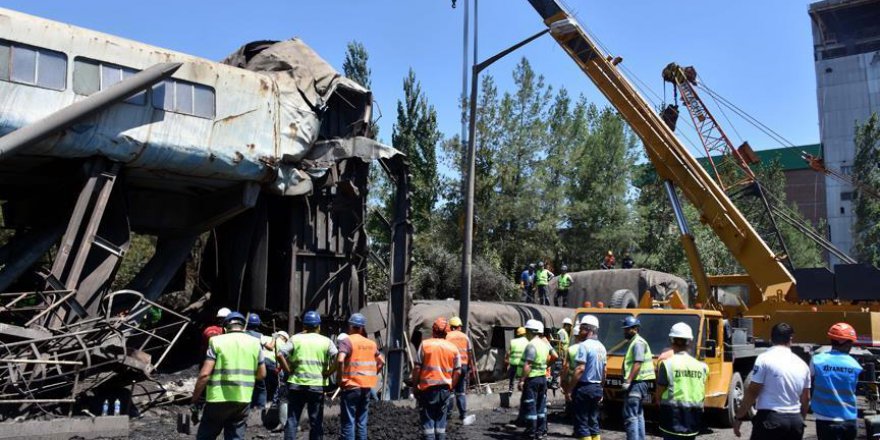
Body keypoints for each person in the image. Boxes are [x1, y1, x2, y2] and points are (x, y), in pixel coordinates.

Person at [191, 312, 266, 440]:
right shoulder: (255, 343)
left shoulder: (216, 341)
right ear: (243, 326)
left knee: (206, 436)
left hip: (217, 399)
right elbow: (262, 374)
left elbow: (204, 374)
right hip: (242, 399)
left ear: (225, 327)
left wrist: (195, 399)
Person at [733, 323, 811, 440]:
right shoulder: (802, 364)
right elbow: (806, 398)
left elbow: (753, 391)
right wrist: (801, 419)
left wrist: (739, 416)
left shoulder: (764, 359)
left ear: (771, 338)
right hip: (795, 421)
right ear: (791, 339)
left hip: (770, 419)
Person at [278, 310, 337, 440]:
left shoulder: (295, 339)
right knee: (316, 422)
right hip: (316, 386)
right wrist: (330, 372)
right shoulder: (326, 341)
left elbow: (279, 354)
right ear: (319, 326)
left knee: (292, 420)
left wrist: (287, 370)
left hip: (296, 385)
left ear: (304, 326)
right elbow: (338, 358)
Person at [412, 317, 462, 440]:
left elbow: (417, 368)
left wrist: (415, 386)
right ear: (447, 333)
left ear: (433, 330)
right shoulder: (453, 348)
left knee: (428, 424)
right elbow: (458, 371)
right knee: (441, 425)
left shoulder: (425, 345)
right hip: (444, 390)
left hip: (427, 390)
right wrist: (451, 386)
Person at [337, 313, 384, 440]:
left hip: (351, 386)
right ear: (362, 328)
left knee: (349, 421)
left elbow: (340, 360)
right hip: (366, 387)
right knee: (362, 422)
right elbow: (381, 362)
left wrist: (340, 379)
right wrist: (373, 375)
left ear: (350, 326)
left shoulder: (347, 341)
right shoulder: (371, 344)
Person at [810, 323, 861, 440]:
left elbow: (809, 385)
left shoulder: (817, 360)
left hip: (824, 419)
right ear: (846, 343)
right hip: (848, 419)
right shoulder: (855, 365)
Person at [656, 322, 707, 440]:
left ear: (671, 340)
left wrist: (659, 401)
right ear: (690, 342)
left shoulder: (667, 364)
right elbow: (702, 390)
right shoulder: (702, 366)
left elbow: (659, 392)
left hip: (672, 418)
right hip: (693, 418)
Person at [519, 319, 558, 440]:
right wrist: (546, 366)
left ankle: (531, 433)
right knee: (541, 406)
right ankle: (540, 432)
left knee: (531, 406)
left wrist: (521, 380)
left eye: (527, 331)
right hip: (543, 378)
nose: (526, 333)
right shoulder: (545, 344)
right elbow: (555, 356)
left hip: (532, 380)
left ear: (531, 331)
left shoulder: (531, 345)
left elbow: (528, 364)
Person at [570, 315, 606, 440]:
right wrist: (601, 388)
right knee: (593, 421)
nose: (579, 332)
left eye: (582, 329)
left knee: (582, 423)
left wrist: (570, 389)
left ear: (589, 330)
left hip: (584, 388)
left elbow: (580, 369)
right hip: (596, 387)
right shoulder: (602, 347)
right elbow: (604, 371)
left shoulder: (583, 346)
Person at [621, 316, 655, 440]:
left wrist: (628, 380)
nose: (624, 331)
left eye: (627, 329)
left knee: (631, 415)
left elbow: (638, 363)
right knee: (638, 414)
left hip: (636, 383)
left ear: (635, 329)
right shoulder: (636, 342)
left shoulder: (638, 343)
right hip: (640, 383)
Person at [445, 316, 472, 422]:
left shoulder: (447, 336)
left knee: (450, 391)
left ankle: (448, 414)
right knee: (461, 392)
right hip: (464, 366)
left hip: (452, 367)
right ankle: (463, 415)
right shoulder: (465, 337)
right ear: (459, 326)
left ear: (451, 327)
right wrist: (469, 367)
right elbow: (469, 352)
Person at [245, 313, 271, 410]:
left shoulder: (243, 334)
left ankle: (248, 405)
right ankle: (260, 408)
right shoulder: (260, 336)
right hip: (256, 365)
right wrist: (275, 338)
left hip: (245, 364)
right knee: (261, 388)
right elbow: (270, 348)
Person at [552, 318, 573, 389]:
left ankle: (559, 382)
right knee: (558, 368)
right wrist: (563, 355)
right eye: (569, 326)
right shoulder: (562, 332)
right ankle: (554, 382)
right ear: (566, 325)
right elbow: (560, 343)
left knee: (562, 369)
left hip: (564, 353)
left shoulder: (565, 332)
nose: (570, 327)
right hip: (561, 353)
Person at [506, 327, 529, 393]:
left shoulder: (513, 341)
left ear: (517, 334)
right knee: (524, 376)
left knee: (512, 376)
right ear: (525, 334)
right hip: (523, 363)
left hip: (514, 363)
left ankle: (511, 388)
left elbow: (508, 353)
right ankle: (523, 386)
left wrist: (507, 361)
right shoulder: (528, 342)